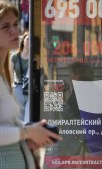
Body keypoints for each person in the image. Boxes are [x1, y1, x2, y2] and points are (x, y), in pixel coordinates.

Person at [0, 2, 62, 169]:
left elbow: (7, 127)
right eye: (5, 26)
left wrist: (29, 135)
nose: (14, 31)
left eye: (15, 24)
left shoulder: (3, 74)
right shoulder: (14, 61)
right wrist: (28, 132)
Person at [10, 31, 29, 121]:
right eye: (28, 39)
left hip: (30, 90)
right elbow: (9, 76)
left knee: (28, 118)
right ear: (23, 41)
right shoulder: (15, 57)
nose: (29, 41)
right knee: (19, 119)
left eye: (31, 39)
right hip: (17, 88)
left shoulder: (35, 58)